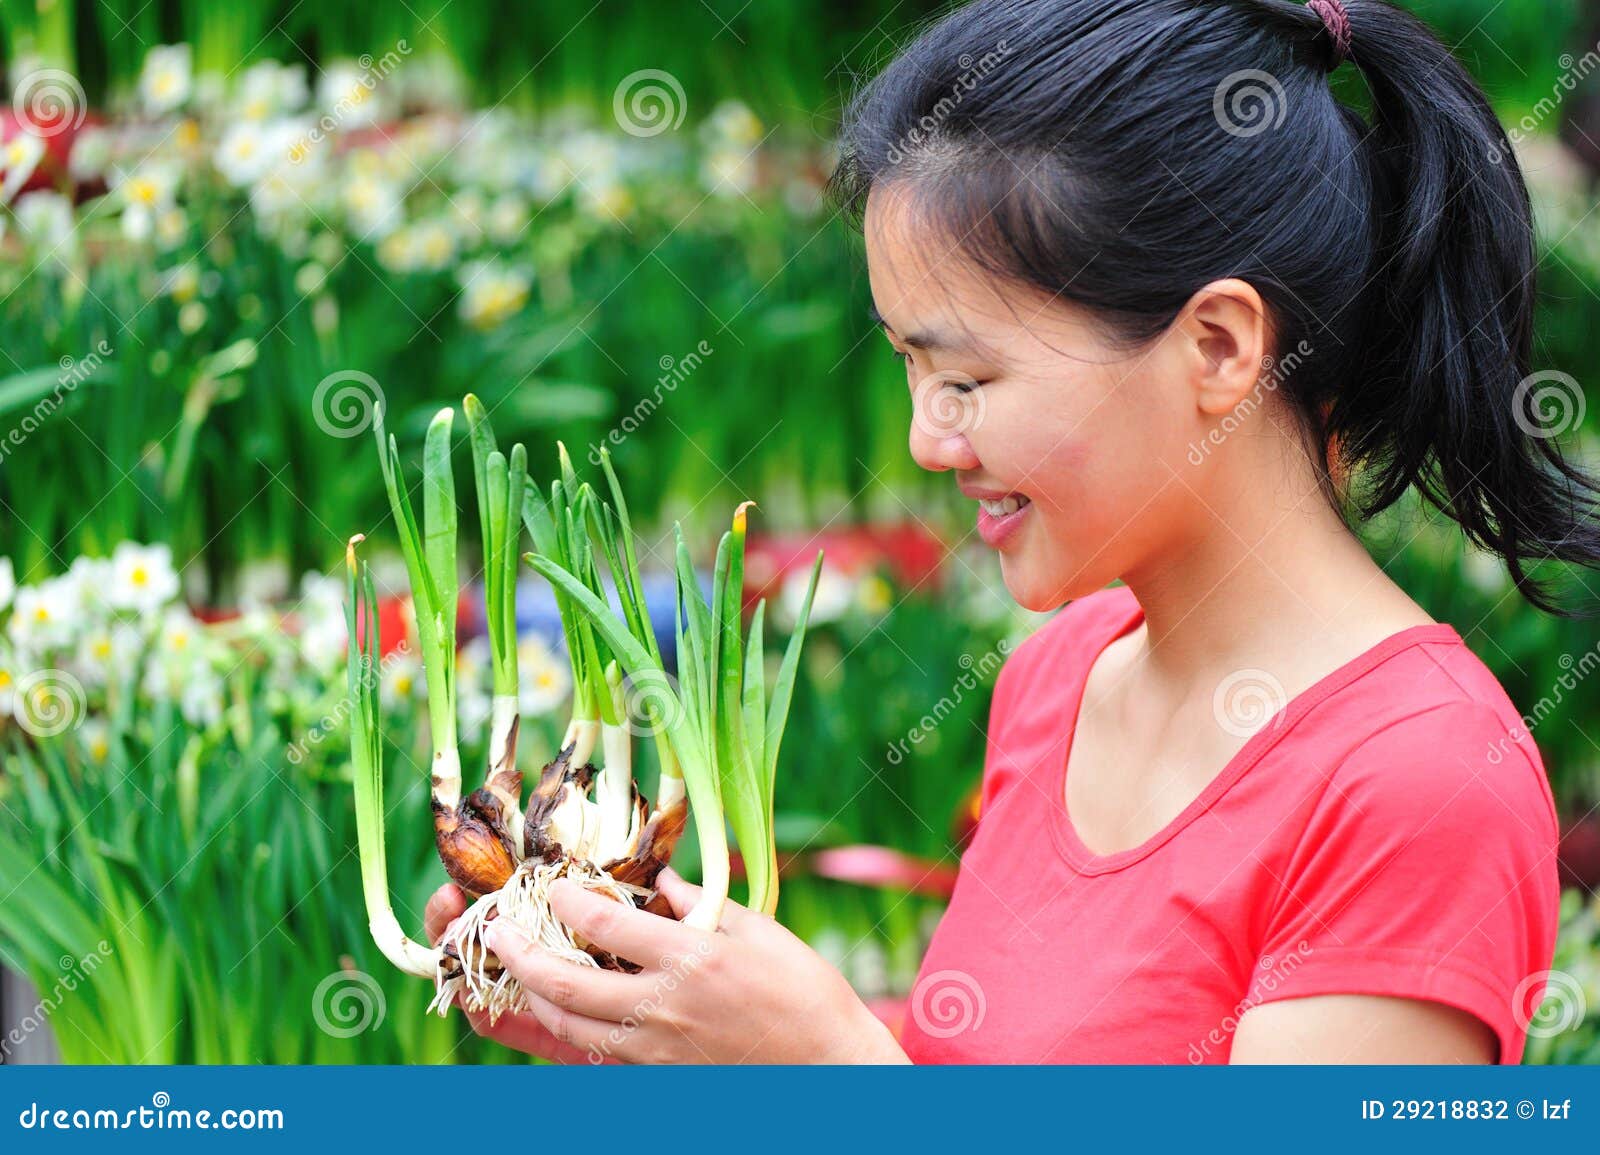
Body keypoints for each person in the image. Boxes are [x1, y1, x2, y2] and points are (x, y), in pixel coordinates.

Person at [425, 0, 1595, 1063]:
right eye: (908, 368)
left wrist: (833, 1075)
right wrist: (657, 1027)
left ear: (1221, 349)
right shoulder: (1057, 678)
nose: (929, 441)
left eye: (969, 377)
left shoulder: (1416, 786)